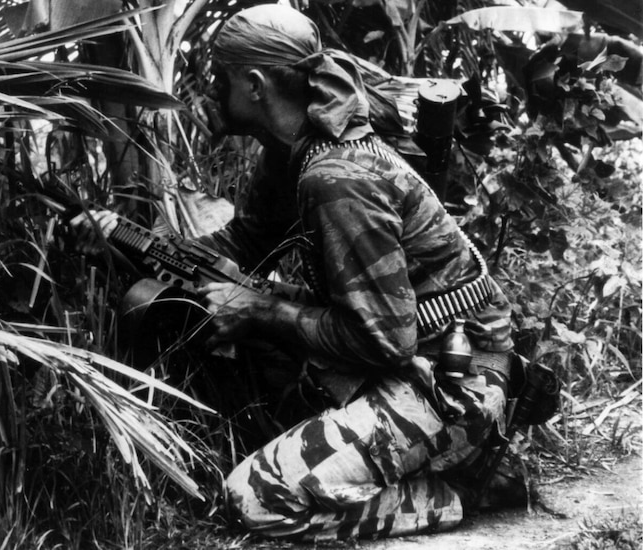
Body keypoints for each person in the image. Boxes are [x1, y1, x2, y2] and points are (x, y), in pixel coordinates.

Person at [77, 3, 516, 541]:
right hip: (398, 352)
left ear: (256, 84)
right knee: (243, 306)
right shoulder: (293, 153)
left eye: (221, 76)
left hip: (449, 380)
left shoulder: (337, 178)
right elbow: (242, 245)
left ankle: (464, 488)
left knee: (255, 501)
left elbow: (385, 341)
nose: (212, 87)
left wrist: (263, 310)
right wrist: (127, 241)